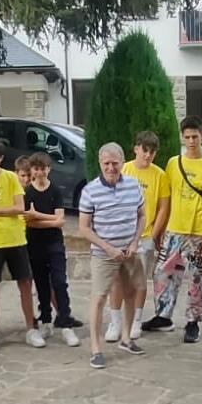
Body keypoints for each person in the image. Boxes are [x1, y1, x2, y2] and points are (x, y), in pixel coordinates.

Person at [142, 115, 202, 343]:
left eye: (195, 136)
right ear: (182, 138)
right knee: (163, 273)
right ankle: (163, 315)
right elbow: (167, 199)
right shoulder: (173, 164)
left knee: (197, 279)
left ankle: (193, 321)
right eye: (187, 137)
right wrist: (161, 228)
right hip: (174, 231)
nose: (192, 141)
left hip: (198, 234)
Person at [0, 140, 45, 352]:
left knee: (24, 283)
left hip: (15, 238)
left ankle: (31, 329)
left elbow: (19, 207)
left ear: (1, 159)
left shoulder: (12, 177)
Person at [78, 142, 147, 369]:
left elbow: (141, 216)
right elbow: (84, 228)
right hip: (103, 254)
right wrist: (108, 248)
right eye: (106, 163)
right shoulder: (90, 191)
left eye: (115, 163)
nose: (110, 168)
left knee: (130, 292)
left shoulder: (134, 185)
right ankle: (96, 349)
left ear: (122, 162)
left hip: (129, 251)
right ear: (100, 163)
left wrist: (136, 241)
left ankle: (126, 339)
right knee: (99, 298)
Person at [105, 131, 170, 343]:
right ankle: (115, 322)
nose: (148, 155)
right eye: (145, 150)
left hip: (145, 236)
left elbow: (163, 207)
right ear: (136, 149)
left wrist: (155, 232)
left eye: (152, 151)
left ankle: (136, 321)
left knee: (139, 281)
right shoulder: (124, 170)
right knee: (117, 279)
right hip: (121, 234)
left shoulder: (159, 175)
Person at [17, 153, 80, 347]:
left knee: (60, 282)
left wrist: (39, 216)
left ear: (49, 169)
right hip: (35, 245)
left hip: (55, 244)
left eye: (43, 168)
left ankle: (66, 323)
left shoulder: (55, 191)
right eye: (36, 169)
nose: (39, 172)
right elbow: (30, 223)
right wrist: (49, 220)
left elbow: (61, 221)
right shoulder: (27, 193)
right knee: (42, 285)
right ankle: (45, 321)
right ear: (32, 171)